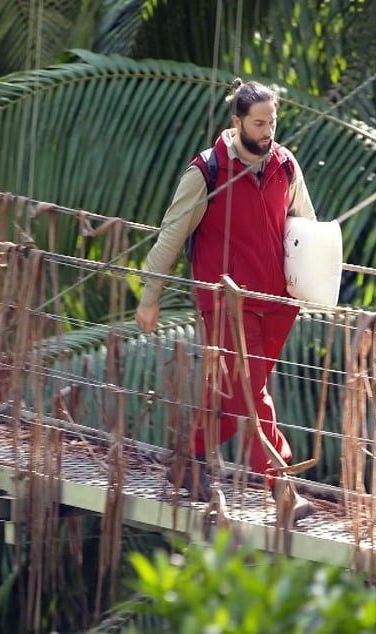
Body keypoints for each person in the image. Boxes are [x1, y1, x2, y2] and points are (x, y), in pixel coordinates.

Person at [136, 78, 316, 523]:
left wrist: (314, 287)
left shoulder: (286, 165)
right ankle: (282, 488)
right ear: (237, 123)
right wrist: (149, 297)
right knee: (253, 394)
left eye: (272, 121)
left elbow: (306, 229)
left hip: (276, 303)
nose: (268, 130)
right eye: (258, 123)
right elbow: (171, 235)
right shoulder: (206, 172)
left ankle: (187, 458)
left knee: (236, 396)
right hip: (226, 302)